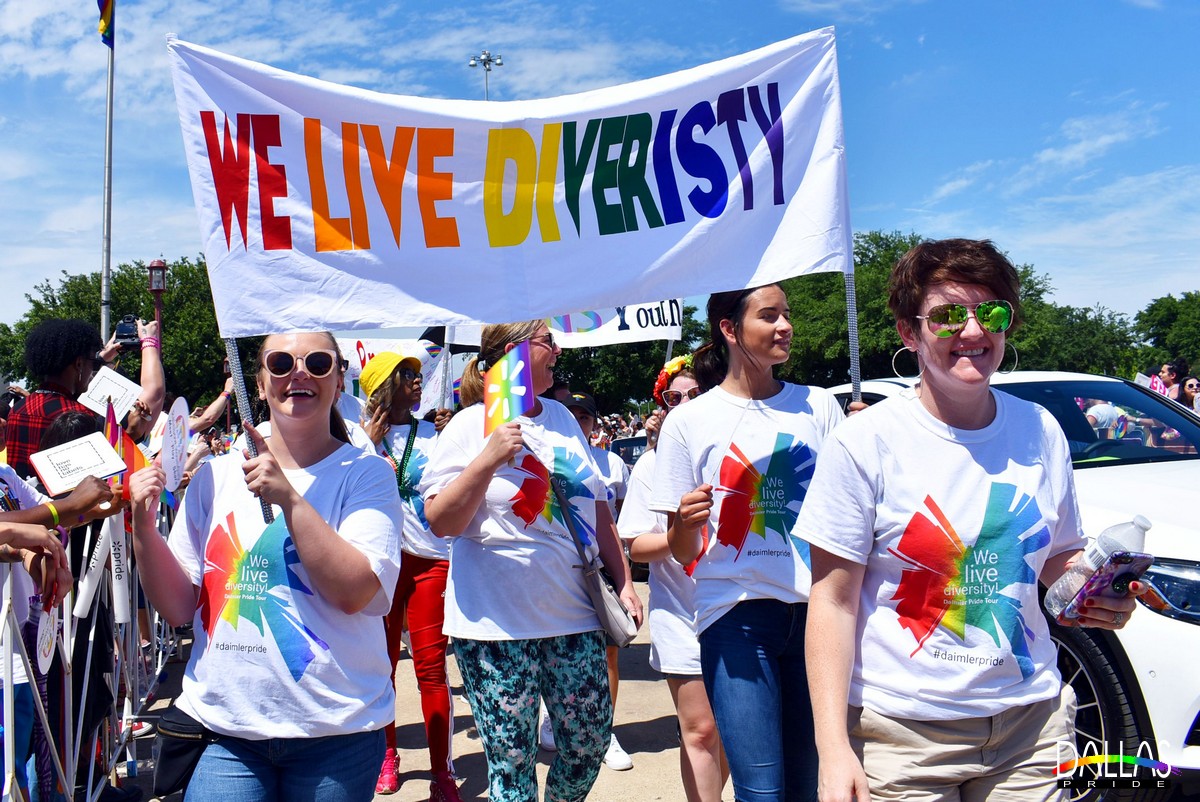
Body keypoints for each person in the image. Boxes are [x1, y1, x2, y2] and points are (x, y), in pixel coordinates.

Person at [794, 238, 1146, 802]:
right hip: (903, 735)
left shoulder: (1040, 429)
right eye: (949, 315)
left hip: (1030, 723)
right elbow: (832, 601)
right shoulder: (865, 443)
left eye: (993, 312)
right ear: (910, 333)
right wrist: (833, 749)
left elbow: (1055, 554)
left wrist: (1095, 588)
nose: (974, 331)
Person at [127, 331, 404, 802]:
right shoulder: (214, 476)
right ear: (258, 382)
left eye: (318, 363)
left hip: (335, 732)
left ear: (339, 381)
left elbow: (355, 592)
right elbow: (177, 606)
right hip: (225, 729)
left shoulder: (367, 473)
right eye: (280, 363)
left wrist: (290, 498)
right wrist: (142, 527)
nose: (299, 373)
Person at [421, 321, 643, 802]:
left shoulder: (563, 418)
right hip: (495, 627)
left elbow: (596, 505)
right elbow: (439, 521)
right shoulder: (467, 425)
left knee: (588, 744)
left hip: (572, 616)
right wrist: (486, 459)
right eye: (547, 341)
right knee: (512, 766)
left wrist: (623, 579)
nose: (558, 350)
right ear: (512, 353)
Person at [652, 284, 844, 802]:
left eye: (787, 315)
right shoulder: (688, 421)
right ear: (730, 329)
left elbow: (847, 518)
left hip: (815, 617)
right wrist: (686, 523)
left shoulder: (820, 407)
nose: (785, 326)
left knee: (810, 786)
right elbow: (684, 550)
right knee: (761, 791)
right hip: (734, 617)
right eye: (769, 316)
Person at [620, 354, 728, 802]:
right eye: (672, 397)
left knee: (734, 732)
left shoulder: (733, 452)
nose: (682, 403)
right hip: (682, 615)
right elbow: (634, 545)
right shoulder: (652, 465)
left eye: (693, 394)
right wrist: (681, 531)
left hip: (740, 610)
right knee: (701, 730)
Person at [358, 352, 462, 801]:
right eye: (408, 376)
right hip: (379, 564)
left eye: (419, 376)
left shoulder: (436, 434)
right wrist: (366, 442)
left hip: (429, 561)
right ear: (385, 385)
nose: (418, 383)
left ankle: (441, 772)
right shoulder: (355, 439)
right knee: (381, 669)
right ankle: (387, 755)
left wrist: (452, 431)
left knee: (431, 669)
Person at [562, 390, 633, 771]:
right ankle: (556, 718)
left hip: (601, 567)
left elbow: (616, 516)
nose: (577, 423)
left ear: (595, 422)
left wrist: (623, 576)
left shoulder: (612, 464)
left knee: (608, 652)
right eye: (570, 415)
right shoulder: (551, 456)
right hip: (560, 567)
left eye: (584, 417)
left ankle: (606, 731)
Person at [6, 319, 104, 480]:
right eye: (93, 364)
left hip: (19, 503)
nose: (92, 372)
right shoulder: (79, 415)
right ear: (79, 364)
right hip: (63, 504)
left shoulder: (19, 408)